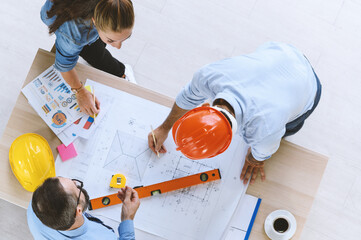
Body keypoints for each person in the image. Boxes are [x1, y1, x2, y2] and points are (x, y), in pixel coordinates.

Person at [148, 42, 322, 185]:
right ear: (203, 108)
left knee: (290, 126)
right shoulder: (208, 76)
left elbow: (263, 152)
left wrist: (254, 160)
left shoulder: (265, 130)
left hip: (309, 86)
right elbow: (186, 97)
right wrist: (164, 128)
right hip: (282, 51)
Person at [41, 0, 135, 116]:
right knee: (95, 53)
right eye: (111, 40)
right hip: (59, 16)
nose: (118, 47)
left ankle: (120, 71)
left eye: (127, 37)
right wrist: (80, 91)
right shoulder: (74, 36)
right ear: (95, 21)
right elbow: (64, 66)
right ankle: (121, 72)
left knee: (97, 48)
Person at [27, 177, 140, 239]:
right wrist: (127, 218)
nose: (75, 182)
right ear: (78, 210)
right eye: (77, 188)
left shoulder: (36, 205)